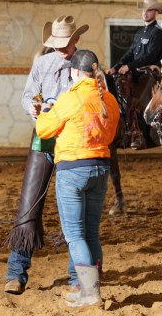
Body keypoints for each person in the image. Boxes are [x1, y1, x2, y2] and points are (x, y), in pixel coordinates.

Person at [3, 15, 89, 295]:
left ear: (76, 39)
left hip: (73, 142)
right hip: (43, 137)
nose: (61, 48)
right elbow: (27, 96)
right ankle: (16, 272)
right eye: (57, 43)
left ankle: (76, 277)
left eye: (66, 42)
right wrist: (32, 108)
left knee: (74, 210)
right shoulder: (42, 63)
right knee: (28, 203)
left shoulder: (86, 65)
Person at [36, 49, 120, 307]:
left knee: (74, 235)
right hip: (100, 169)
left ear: (74, 72)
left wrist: (44, 111)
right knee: (91, 232)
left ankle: (90, 292)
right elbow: (110, 135)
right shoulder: (110, 100)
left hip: (72, 170)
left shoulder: (69, 99)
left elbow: (43, 129)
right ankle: (92, 288)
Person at [107, 0, 162, 149]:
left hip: (149, 73)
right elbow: (130, 53)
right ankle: (124, 128)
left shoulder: (158, 33)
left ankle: (139, 135)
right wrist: (115, 67)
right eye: (144, 10)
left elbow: (150, 56)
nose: (145, 13)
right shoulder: (140, 33)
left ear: (156, 12)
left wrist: (129, 66)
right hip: (135, 73)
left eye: (149, 10)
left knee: (136, 100)